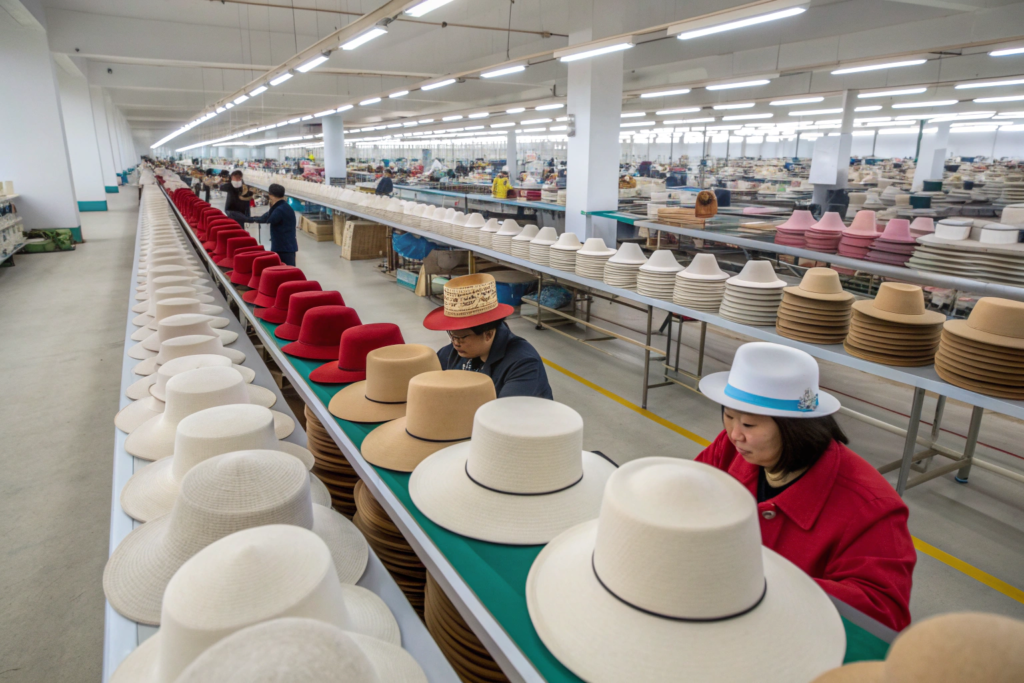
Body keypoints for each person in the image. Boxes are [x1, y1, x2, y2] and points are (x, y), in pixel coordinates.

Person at [696, 341, 915, 631]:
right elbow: (690, 495)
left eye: (749, 425)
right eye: (728, 416)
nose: (735, 434)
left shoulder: (871, 508)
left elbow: (882, 613)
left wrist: (763, 583)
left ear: (794, 429)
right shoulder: (730, 449)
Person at [423, 273, 552, 399]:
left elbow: (505, 410)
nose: (455, 343)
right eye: (452, 335)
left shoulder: (523, 364)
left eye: (462, 337)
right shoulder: (452, 353)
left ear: (488, 334)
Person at [250, 183, 298, 266]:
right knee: (289, 270)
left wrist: (249, 219)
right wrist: (253, 219)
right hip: (288, 246)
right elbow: (265, 217)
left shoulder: (279, 210)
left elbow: (269, 220)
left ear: (270, 195)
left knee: (282, 270)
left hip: (282, 248)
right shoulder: (285, 206)